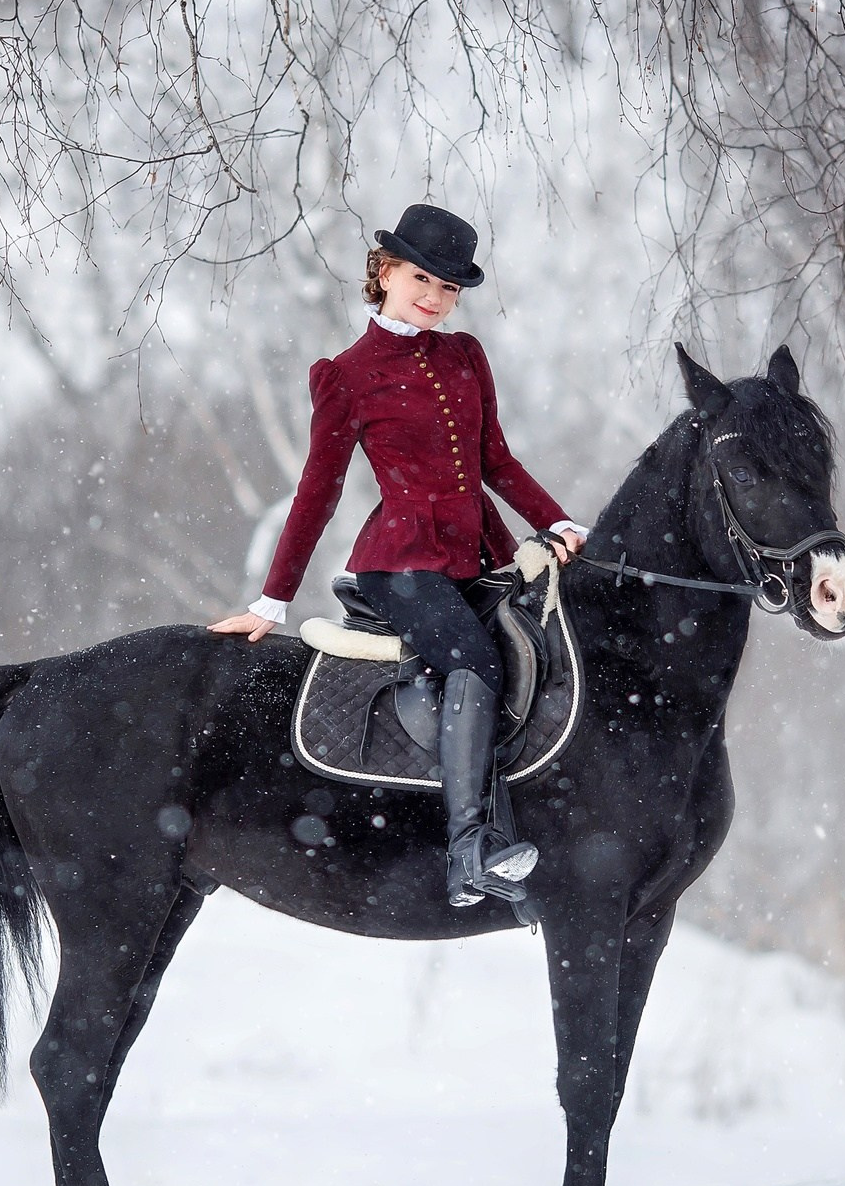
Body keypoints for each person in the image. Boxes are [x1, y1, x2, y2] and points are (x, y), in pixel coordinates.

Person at [211, 203, 586, 908]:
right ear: (383, 270)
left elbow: (494, 461)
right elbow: (316, 495)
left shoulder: (466, 356)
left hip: (479, 556)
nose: (436, 298)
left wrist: (558, 519)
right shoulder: (345, 376)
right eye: (422, 278)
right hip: (401, 566)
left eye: (450, 288)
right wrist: (272, 600)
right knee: (473, 658)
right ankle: (470, 845)